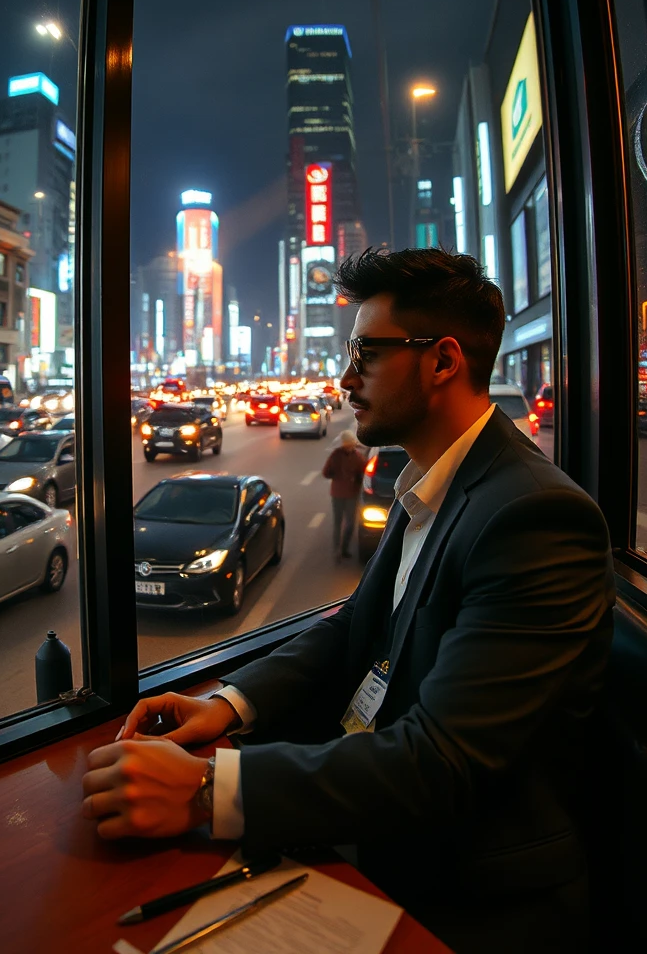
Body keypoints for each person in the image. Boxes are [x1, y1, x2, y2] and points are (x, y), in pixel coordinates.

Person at [82, 247, 614, 953]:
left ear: (443, 361)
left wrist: (208, 788)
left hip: (467, 898)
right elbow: (353, 626)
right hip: (378, 836)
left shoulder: (535, 518)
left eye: (365, 354)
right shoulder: (430, 483)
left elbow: (443, 762)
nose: (343, 378)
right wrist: (226, 705)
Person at [322, 428, 368, 560]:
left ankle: (340, 549)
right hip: (345, 494)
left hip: (344, 493)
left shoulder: (338, 455)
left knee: (342, 522)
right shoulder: (356, 456)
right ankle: (341, 549)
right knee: (346, 523)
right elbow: (326, 472)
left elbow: (326, 473)